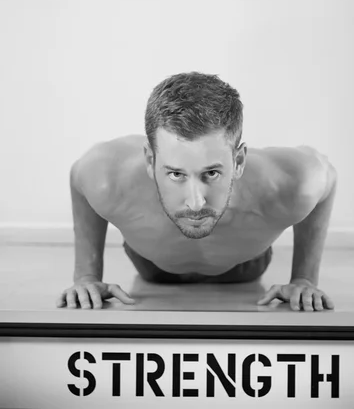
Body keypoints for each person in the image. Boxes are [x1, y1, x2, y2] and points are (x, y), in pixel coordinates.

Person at [56, 72, 337, 312]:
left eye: (211, 173)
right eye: (176, 174)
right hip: (153, 266)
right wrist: (87, 276)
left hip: (243, 266)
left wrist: (304, 280)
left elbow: (327, 179)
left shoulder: (293, 183)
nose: (195, 202)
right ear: (150, 161)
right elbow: (78, 180)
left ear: (238, 162)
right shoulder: (105, 175)